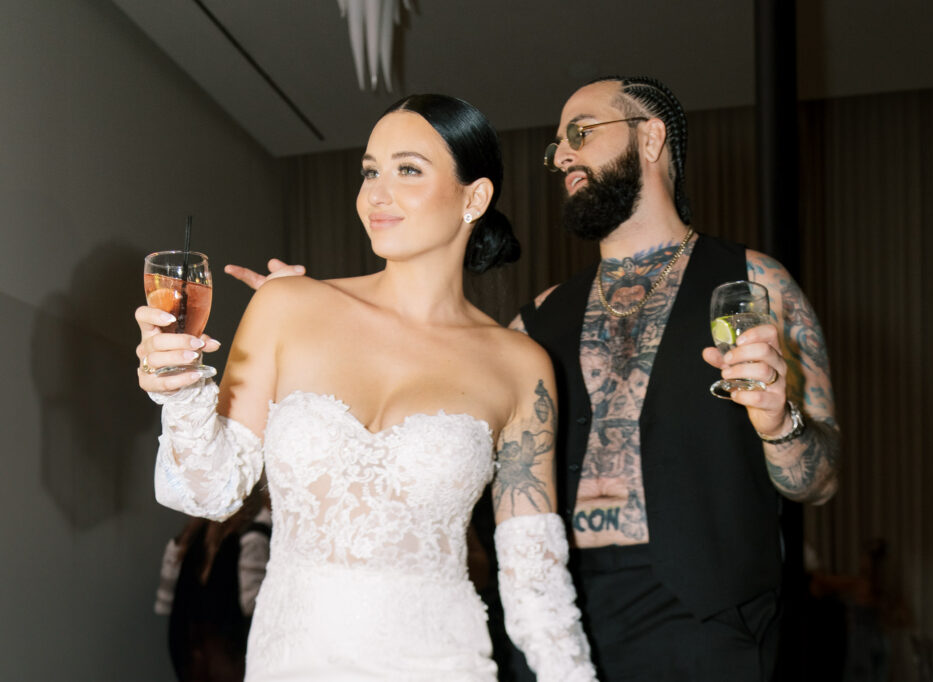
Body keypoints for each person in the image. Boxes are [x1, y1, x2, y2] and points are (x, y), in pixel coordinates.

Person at [229, 76, 841, 681]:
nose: (563, 156)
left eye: (582, 133)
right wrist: (316, 333)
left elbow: (819, 481)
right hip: (557, 613)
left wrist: (777, 421)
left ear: (650, 138)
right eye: (557, 145)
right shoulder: (536, 320)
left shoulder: (753, 285)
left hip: (706, 620)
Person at [135, 94, 597, 681]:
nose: (376, 193)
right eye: (370, 171)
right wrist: (179, 389)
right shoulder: (288, 305)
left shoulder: (520, 365)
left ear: (474, 197)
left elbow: (536, 583)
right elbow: (209, 493)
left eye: (408, 169)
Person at [154, 489, 271, 682]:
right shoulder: (247, 541)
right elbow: (250, 605)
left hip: (188, 655)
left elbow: (164, 604)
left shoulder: (186, 541)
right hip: (228, 658)